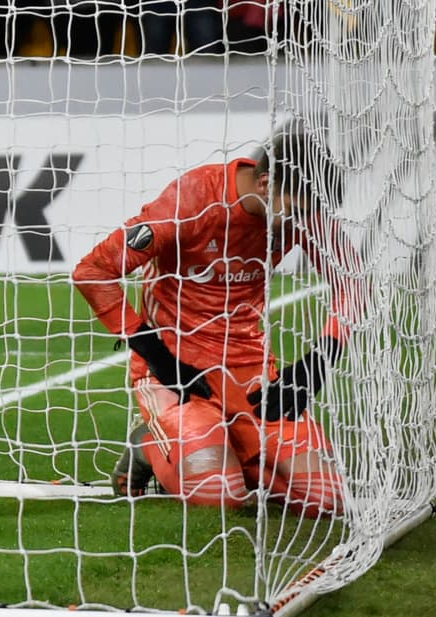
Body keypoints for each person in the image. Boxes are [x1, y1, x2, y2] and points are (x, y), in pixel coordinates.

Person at [72, 128, 352, 517]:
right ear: (267, 182)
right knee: (219, 495)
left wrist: (319, 360)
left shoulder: (303, 212)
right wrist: (156, 355)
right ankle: (148, 446)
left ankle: (234, 450)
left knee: (326, 500)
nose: (304, 223)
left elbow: (353, 285)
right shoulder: (194, 201)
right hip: (176, 374)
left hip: (250, 373)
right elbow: (93, 272)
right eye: (299, 211)